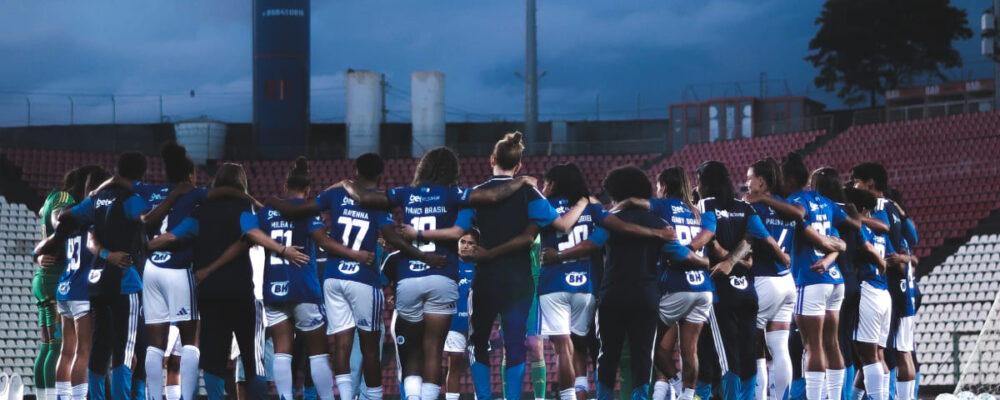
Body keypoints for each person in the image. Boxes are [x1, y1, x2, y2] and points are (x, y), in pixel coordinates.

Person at [342, 145, 535, 400]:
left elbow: (366, 198)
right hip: (442, 277)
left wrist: (344, 184)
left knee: (413, 350)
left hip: (410, 277)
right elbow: (491, 197)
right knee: (433, 350)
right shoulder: (454, 193)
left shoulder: (406, 193)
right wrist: (520, 181)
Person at [146, 163, 310, 400]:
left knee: (213, 360)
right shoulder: (246, 208)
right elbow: (254, 232)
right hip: (241, 292)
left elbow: (173, 236)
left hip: (209, 294)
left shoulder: (200, 212)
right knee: (252, 359)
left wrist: (146, 246)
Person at [266, 153, 390, 400]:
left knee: (324, 346)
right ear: (379, 175)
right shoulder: (377, 201)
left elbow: (281, 215)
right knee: (352, 349)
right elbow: (325, 240)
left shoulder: (332, 196)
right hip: (341, 282)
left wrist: (271, 204)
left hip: (310, 281)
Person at [35, 152, 155, 400]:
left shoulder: (80, 213)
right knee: (107, 350)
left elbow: (54, 230)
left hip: (73, 287)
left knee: (64, 350)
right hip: (103, 286)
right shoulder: (117, 208)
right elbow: (148, 222)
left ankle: (63, 397)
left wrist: (37, 256)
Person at [592, 165, 699, 400]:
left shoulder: (609, 221)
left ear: (616, 192)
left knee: (607, 355)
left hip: (612, 295)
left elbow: (592, 246)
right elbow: (681, 254)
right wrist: (706, 261)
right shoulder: (659, 224)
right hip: (646, 296)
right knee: (643, 356)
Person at [686, 161, 786, 400]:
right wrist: (783, 258)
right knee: (748, 353)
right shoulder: (744, 207)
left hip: (719, 291)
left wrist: (687, 248)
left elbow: (709, 233)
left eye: (698, 182)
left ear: (704, 183)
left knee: (726, 357)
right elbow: (763, 240)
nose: (697, 187)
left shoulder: (706, 204)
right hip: (747, 291)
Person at [253, 157, 349, 400]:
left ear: (285, 186)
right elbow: (322, 240)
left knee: (282, 351)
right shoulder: (308, 211)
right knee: (318, 353)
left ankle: (285, 397)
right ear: (308, 190)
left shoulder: (267, 212)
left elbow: (251, 230)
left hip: (274, 287)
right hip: (304, 287)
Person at [781, 153, 860, 400]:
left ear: (789, 179)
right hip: (835, 279)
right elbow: (846, 232)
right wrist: (828, 258)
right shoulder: (826, 202)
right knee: (832, 343)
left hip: (810, 277)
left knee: (812, 346)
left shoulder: (795, 201)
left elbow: (798, 216)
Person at [634, 167, 711, 400]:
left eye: (659, 186)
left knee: (647, 342)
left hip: (676, 285)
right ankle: (688, 396)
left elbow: (638, 205)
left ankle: (677, 386)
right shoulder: (697, 211)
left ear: (664, 187)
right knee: (690, 351)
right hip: (702, 287)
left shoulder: (663, 205)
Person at [535, 163, 609, 400]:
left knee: (562, 348)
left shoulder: (544, 206)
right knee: (581, 343)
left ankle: (570, 396)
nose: (544, 187)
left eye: (546, 183)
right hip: (586, 286)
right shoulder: (593, 208)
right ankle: (584, 390)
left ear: (553, 184)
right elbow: (605, 234)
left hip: (553, 284)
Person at [139, 143, 206, 400]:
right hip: (179, 268)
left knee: (155, 346)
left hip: (151, 269)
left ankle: (154, 397)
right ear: (190, 174)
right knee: (190, 341)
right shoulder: (197, 194)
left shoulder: (150, 192)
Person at [744, 159, 801, 400]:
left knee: (754, 343)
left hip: (764, 280)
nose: (747, 183)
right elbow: (800, 216)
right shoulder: (786, 206)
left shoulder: (754, 208)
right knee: (779, 347)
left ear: (761, 181)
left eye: (749, 178)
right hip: (787, 282)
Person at [51, 166, 110, 400]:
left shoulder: (71, 215)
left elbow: (56, 222)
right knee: (83, 352)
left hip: (64, 287)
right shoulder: (95, 214)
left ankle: (62, 398)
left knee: (66, 351)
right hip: (82, 290)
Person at [35, 166, 89, 400]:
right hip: (56, 276)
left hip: (44, 277)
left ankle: (42, 396)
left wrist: (39, 254)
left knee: (47, 345)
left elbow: (42, 212)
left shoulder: (51, 196)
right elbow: (57, 220)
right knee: (59, 347)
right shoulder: (65, 198)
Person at [444, 230, 479, 400]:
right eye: (463, 242)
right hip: (454, 323)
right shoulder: (449, 265)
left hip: (477, 325)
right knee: (454, 365)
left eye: (471, 243)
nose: (466, 246)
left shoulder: (482, 267)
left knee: (479, 367)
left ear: (477, 247)